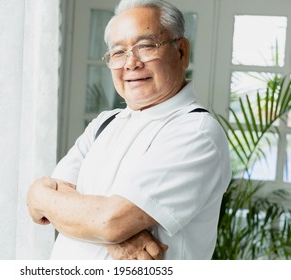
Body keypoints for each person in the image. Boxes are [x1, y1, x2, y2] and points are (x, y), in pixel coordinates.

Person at [27, 0, 231, 260]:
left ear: (181, 52)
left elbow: (111, 221)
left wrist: (40, 196)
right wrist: (112, 234)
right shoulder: (105, 123)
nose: (131, 63)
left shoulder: (197, 132)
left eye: (145, 47)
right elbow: (49, 207)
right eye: (118, 52)